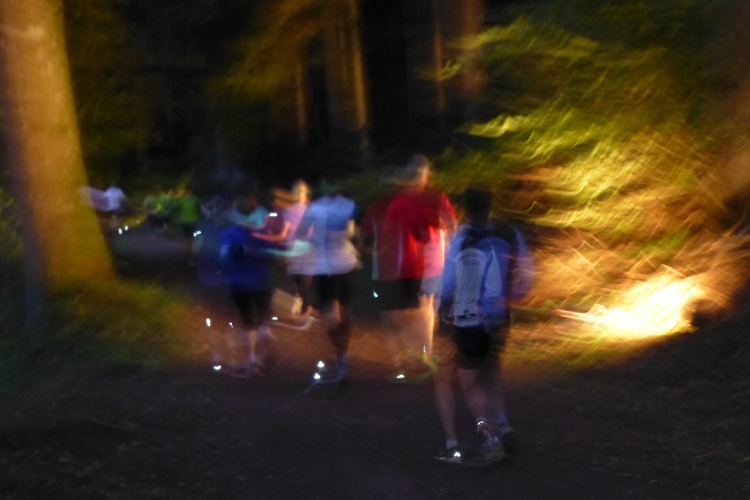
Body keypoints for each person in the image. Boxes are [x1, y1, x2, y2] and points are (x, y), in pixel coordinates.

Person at [433, 188, 535, 466]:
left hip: (469, 317)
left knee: (470, 383)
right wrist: (513, 295)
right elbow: (527, 273)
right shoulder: (509, 233)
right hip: (499, 315)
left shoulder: (462, 237)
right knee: (492, 371)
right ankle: (503, 425)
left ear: (465, 208)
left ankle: (491, 441)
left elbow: (448, 283)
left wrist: (441, 310)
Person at [361, 155, 452, 383]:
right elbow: (431, 231)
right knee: (422, 311)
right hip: (416, 265)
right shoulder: (411, 203)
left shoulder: (379, 205)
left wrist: (373, 248)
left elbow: (365, 239)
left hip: (394, 268)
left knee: (398, 314)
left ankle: (405, 361)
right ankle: (420, 357)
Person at [294, 180, 360, 384]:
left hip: (325, 266)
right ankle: (343, 355)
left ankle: (340, 359)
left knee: (331, 314)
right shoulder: (350, 205)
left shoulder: (315, 207)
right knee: (343, 310)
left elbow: (300, 234)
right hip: (347, 264)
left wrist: (315, 239)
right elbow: (356, 233)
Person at [220, 194, 276, 377]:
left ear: (235, 212)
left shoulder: (230, 233)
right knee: (262, 318)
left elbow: (224, 257)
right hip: (262, 281)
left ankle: (252, 361)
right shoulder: (263, 231)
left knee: (248, 322)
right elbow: (272, 253)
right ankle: (265, 343)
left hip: (240, 283)